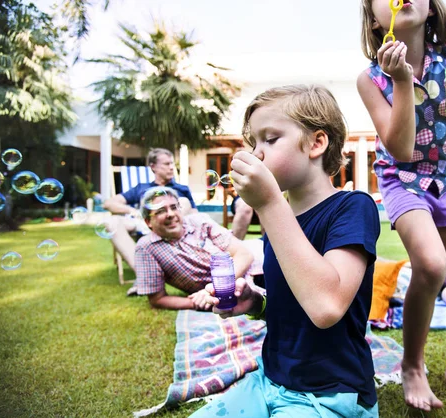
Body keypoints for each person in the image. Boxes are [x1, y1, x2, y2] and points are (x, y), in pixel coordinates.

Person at [191, 85, 381, 418]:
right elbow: (295, 305)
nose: (256, 153)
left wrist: (268, 203)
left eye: (270, 139)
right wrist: (256, 301)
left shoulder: (353, 208)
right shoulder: (280, 219)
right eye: (253, 142)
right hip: (270, 379)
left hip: (329, 392)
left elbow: (325, 307)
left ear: (316, 143)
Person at [357, 0, 446, 410]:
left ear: (432, 9)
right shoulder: (370, 80)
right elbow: (400, 148)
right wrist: (402, 81)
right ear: (373, 18)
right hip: (403, 181)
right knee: (433, 265)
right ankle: (413, 367)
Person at [134, 186, 263, 310]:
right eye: (161, 211)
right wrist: (200, 300)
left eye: (174, 207)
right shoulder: (146, 248)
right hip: (244, 285)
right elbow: (157, 299)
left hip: (261, 257)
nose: (170, 214)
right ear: (148, 222)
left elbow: (244, 255)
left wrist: (215, 288)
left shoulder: (199, 221)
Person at [103, 148, 196, 276]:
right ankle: (144, 274)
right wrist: (132, 210)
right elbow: (109, 203)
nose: (171, 168)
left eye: (172, 164)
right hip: (145, 223)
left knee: (184, 201)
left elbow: (196, 216)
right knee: (111, 222)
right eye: (166, 164)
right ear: (153, 167)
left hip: (173, 224)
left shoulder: (181, 189)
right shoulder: (142, 188)